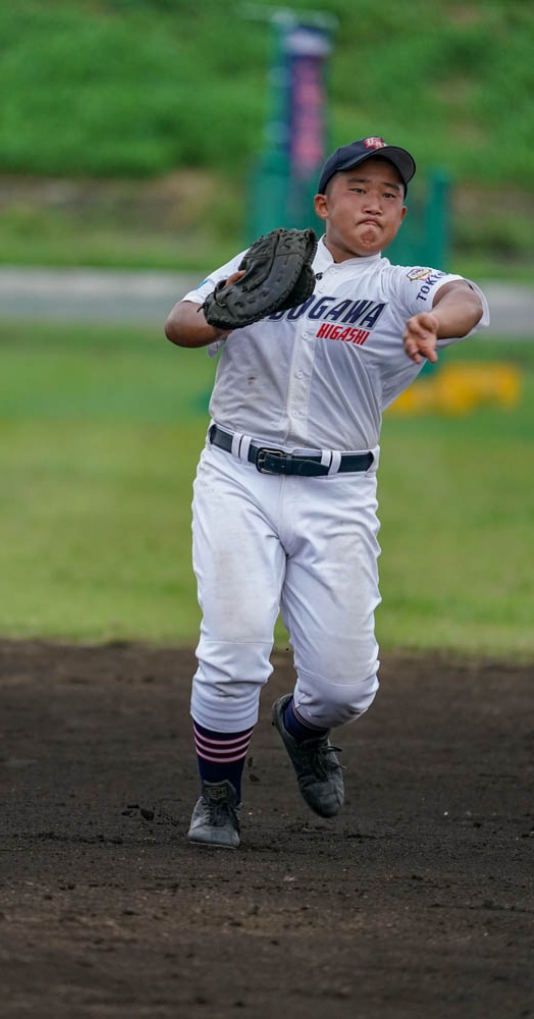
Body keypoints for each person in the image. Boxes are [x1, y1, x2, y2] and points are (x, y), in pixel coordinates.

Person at [164, 137, 489, 850]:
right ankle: (218, 799)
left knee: (345, 689)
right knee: (234, 648)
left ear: (402, 215)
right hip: (237, 477)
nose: (374, 203)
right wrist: (229, 309)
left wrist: (436, 323)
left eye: (389, 194)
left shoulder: (399, 287)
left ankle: (302, 727)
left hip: (337, 493)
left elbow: (463, 299)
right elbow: (179, 324)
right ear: (323, 203)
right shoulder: (269, 262)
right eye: (357, 189)